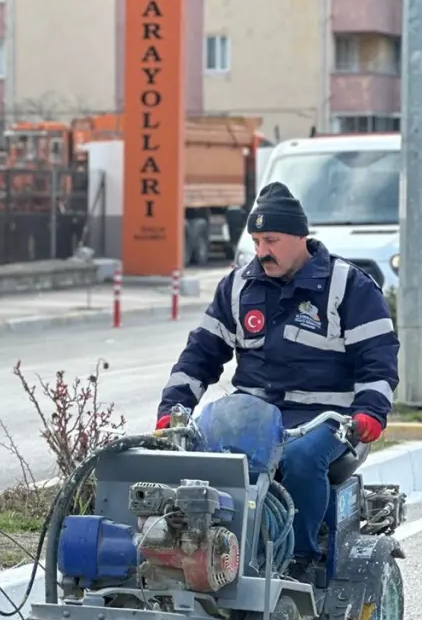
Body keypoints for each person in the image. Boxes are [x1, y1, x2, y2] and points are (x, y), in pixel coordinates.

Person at [156, 182, 400, 587]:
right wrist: (173, 410)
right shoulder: (238, 287)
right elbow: (200, 355)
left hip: (327, 418)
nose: (262, 250)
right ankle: (217, 554)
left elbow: (379, 357)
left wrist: (371, 412)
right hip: (253, 413)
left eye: (271, 239)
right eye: (256, 240)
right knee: (204, 458)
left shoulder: (348, 286)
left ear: (300, 238)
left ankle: (302, 558)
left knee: (300, 459)